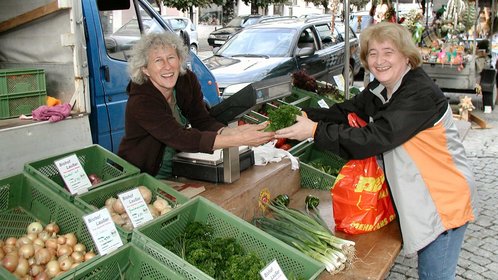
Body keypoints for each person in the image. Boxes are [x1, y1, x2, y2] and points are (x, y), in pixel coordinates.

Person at [275, 22, 478, 279]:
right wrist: (303, 115)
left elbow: (375, 138)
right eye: (372, 53)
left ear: (406, 55)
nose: (379, 60)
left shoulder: (418, 93)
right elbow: (347, 111)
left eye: (388, 52)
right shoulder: (384, 87)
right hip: (419, 195)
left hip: (442, 199)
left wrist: (315, 131)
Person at [118, 32, 274, 179]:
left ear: (180, 59)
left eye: (171, 57)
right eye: (158, 60)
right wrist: (240, 139)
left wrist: (230, 132)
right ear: (145, 69)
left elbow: (202, 120)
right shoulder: (141, 101)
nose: (167, 66)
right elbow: (179, 137)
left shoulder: (186, 81)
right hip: (145, 174)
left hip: (178, 168)